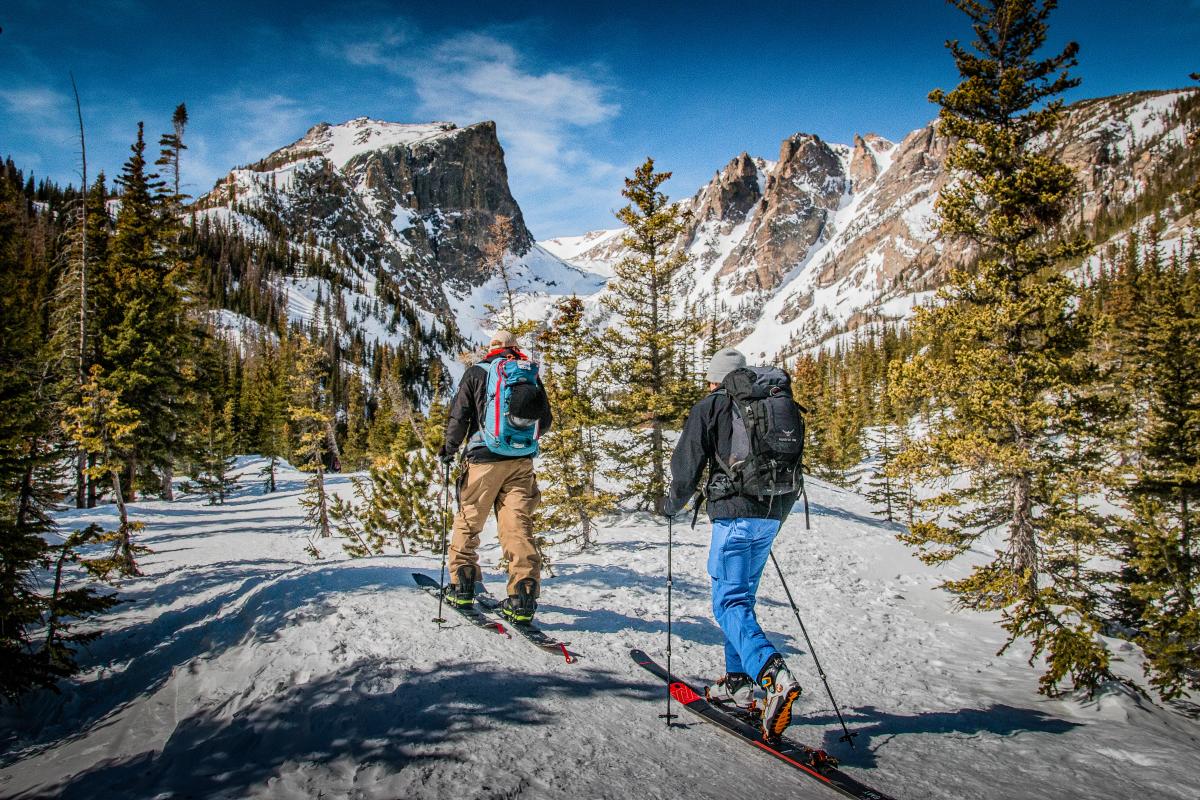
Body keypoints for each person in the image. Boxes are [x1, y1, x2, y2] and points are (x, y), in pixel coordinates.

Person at [658, 347, 803, 741]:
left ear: (717, 377)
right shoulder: (773, 401)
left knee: (728, 604)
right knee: (741, 598)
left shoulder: (712, 405)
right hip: (773, 512)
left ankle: (773, 675)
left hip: (735, 514)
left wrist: (670, 504)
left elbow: (686, 465)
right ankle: (738, 682)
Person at [438, 331, 553, 624]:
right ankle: (523, 597)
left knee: (470, 519)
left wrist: (449, 450)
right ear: (514, 349)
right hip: (521, 463)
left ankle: (462, 586)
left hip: (483, 461)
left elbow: (459, 416)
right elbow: (546, 421)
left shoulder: (476, 373)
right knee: (518, 527)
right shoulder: (530, 376)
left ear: (491, 350)